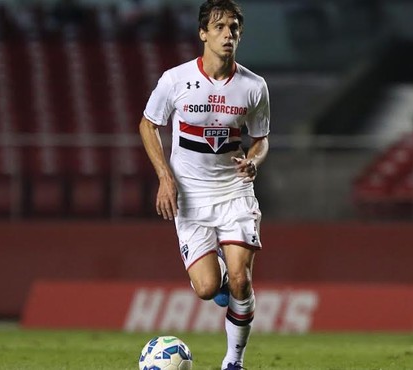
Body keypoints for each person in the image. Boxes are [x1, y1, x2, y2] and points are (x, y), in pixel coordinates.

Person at [138, 1, 270, 369]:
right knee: (207, 288)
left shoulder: (254, 87)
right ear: (203, 34)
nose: (229, 34)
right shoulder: (175, 80)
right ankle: (223, 281)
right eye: (220, 27)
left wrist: (254, 161)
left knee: (242, 281)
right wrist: (165, 177)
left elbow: (261, 138)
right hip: (191, 198)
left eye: (234, 28)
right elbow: (148, 125)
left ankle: (234, 361)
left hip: (234, 193)